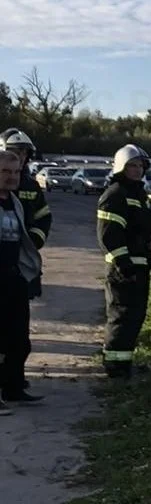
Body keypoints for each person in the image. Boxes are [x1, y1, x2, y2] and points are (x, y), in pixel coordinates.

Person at [96, 144, 151, 379]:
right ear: (121, 167)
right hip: (122, 270)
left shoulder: (137, 194)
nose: (137, 170)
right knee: (121, 317)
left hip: (139, 267)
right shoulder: (115, 194)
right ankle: (115, 367)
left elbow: (150, 221)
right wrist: (124, 264)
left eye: (140, 166)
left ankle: (124, 364)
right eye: (132, 166)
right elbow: (108, 235)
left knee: (134, 317)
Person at [0, 149, 42, 413]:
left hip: (14, 278)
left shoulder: (14, 202)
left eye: (15, 172)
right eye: (5, 171)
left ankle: (13, 388)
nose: (12, 177)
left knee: (18, 339)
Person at [0, 128, 51, 298]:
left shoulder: (31, 186)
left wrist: (32, 240)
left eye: (24, 152)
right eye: (16, 151)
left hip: (22, 265)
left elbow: (44, 217)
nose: (21, 157)